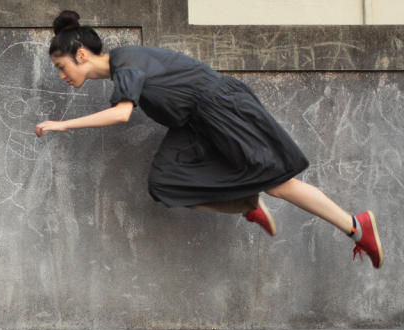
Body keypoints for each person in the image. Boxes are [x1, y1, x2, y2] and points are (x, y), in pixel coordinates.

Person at [35, 10, 385, 268]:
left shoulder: (127, 59)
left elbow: (122, 113)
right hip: (193, 125)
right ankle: (248, 205)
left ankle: (357, 226)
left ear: (81, 55)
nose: (62, 74)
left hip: (221, 106)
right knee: (165, 184)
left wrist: (65, 125)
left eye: (62, 66)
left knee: (279, 183)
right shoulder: (122, 69)